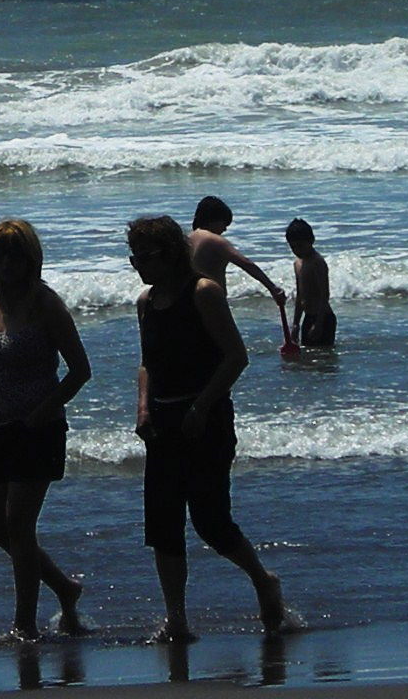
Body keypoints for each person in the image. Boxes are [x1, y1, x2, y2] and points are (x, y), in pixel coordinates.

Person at [128, 214, 290, 641]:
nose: (140, 265)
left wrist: (201, 407)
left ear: (170, 253)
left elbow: (236, 356)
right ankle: (176, 619)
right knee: (162, 525)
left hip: (207, 420)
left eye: (146, 256)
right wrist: (143, 409)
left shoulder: (203, 292)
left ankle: (262, 579)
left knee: (210, 521)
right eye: (134, 258)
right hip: (162, 423)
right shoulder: (146, 303)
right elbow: (147, 363)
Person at [0, 219, 92, 640]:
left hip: (36, 427)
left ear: (30, 259)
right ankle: (65, 587)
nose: (8, 264)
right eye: (0, 255)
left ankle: (24, 625)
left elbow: (80, 370)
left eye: (16, 255)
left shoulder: (45, 304)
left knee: (19, 526)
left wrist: (44, 410)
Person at [189, 196, 289, 341]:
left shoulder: (187, 239)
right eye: (224, 224)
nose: (224, 229)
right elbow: (246, 264)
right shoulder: (214, 240)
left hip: (188, 303)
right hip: (212, 303)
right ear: (214, 219)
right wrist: (272, 288)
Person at [285, 219, 335, 348]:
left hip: (323, 318)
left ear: (311, 240)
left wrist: (318, 324)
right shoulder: (297, 263)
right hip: (308, 317)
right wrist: (296, 324)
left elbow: (325, 294)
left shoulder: (317, 262)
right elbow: (300, 295)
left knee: (323, 358)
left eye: (300, 246)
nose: (297, 250)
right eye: (293, 247)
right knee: (307, 358)